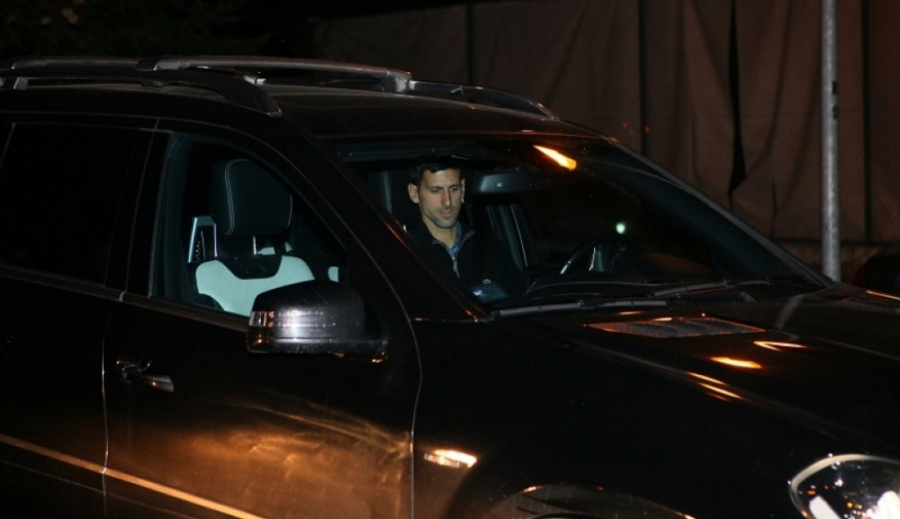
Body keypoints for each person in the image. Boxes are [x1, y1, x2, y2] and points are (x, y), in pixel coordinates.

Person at [406, 161, 523, 302]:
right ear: (414, 193)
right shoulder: (406, 253)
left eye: (453, 189)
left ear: (463, 188)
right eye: (436, 190)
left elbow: (520, 301)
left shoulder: (488, 247)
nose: (447, 201)